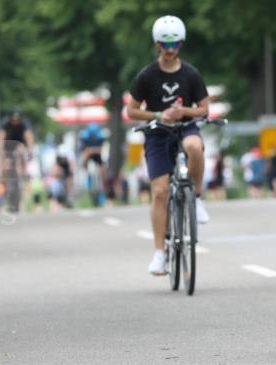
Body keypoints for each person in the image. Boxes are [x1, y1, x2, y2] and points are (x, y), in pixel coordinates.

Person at [126, 15, 211, 276]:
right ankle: (159, 253)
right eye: (165, 43)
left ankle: (195, 198)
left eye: (174, 43)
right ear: (157, 45)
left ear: (181, 44)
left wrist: (182, 111)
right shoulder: (147, 76)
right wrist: (157, 115)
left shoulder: (191, 74)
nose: (170, 48)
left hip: (185, 126)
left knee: (195, 147)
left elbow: (204, 108)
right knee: (160, 191)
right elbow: (131, 110)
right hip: (157, 132)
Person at [79, 122, 106, 205]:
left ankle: (102, 188)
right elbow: (84, 151)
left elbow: (101, 150)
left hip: (97, 156)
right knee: (84, 163)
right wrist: (90, 151)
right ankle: (87, 180)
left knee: (102, 169)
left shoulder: (100, 137)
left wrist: (93, 150)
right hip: (88, 156)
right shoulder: (85, 138)